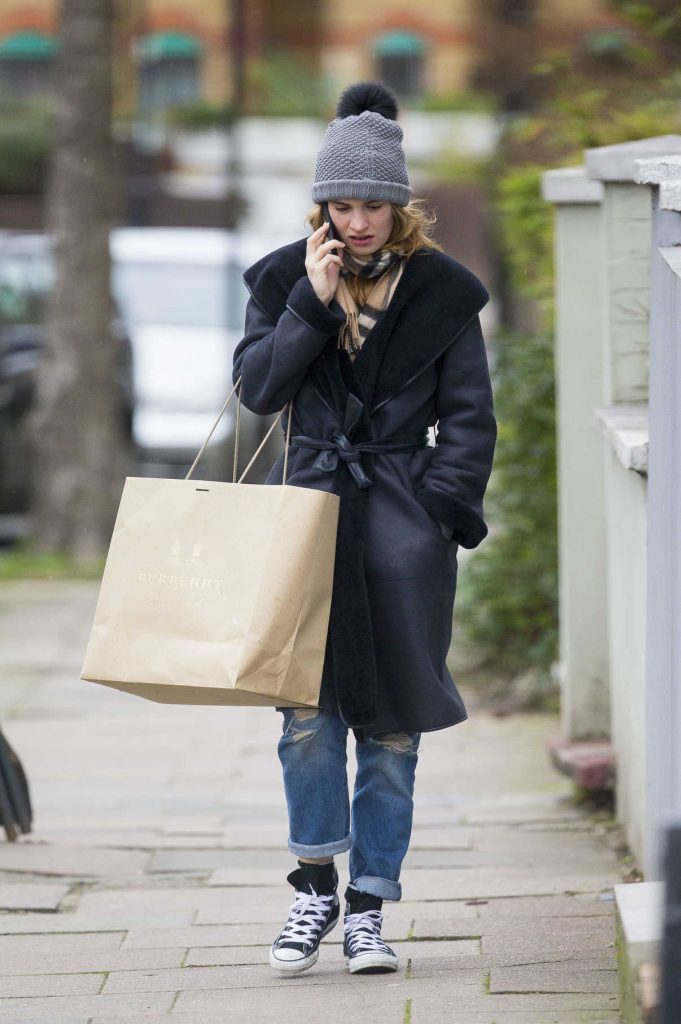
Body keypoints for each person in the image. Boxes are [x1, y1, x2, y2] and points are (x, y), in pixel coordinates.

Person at [233, 80, 497, 977]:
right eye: (341, 205)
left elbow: (470, 417)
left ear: (399, 206)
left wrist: (438, 511)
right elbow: (259, 392)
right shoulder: (279, 278)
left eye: (373, 205)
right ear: (322, 207)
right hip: (305, 509)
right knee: (305, 716)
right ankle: (313, 887)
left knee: (390, 730)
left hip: (399, 525)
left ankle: (369, 908)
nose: (357, 222)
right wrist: (310, 303)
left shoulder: (445, 294)